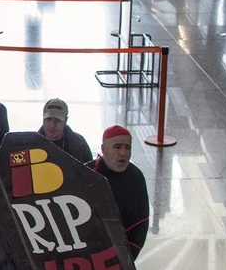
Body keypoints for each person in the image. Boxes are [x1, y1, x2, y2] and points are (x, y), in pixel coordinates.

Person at [91, 125, 150, 259]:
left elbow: (141, 222)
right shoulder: (87, 173)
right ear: (104, 149)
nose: (123, 153)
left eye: (127, 147)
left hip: (121, 254)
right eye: (117, 147)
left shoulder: (136, 178)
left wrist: (128, 259)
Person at [38, 98, 92, 163]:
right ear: (43, 118)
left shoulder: (79, 144)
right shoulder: (31, 144)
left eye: (57, 120)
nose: (52, 125)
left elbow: (90, 171)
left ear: (66, 120)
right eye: (48, 119)